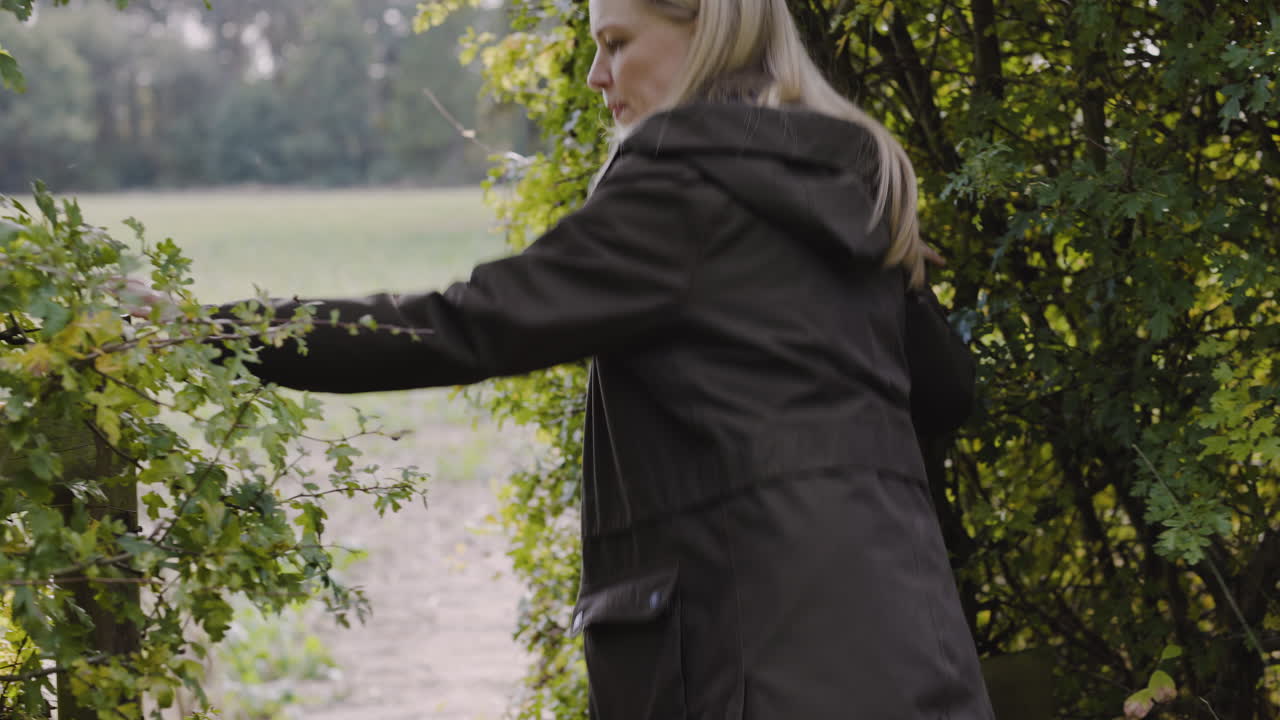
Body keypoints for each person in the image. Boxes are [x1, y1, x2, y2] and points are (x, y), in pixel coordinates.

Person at [192, 0, 996, 717]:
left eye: (615, 42)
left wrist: (208, 333)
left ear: (707, 30)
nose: (594, 74)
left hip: (760, 661)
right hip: (913, 643)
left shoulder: (680, 189)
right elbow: (948, 392)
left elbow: (461, 326)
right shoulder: (857, 182)